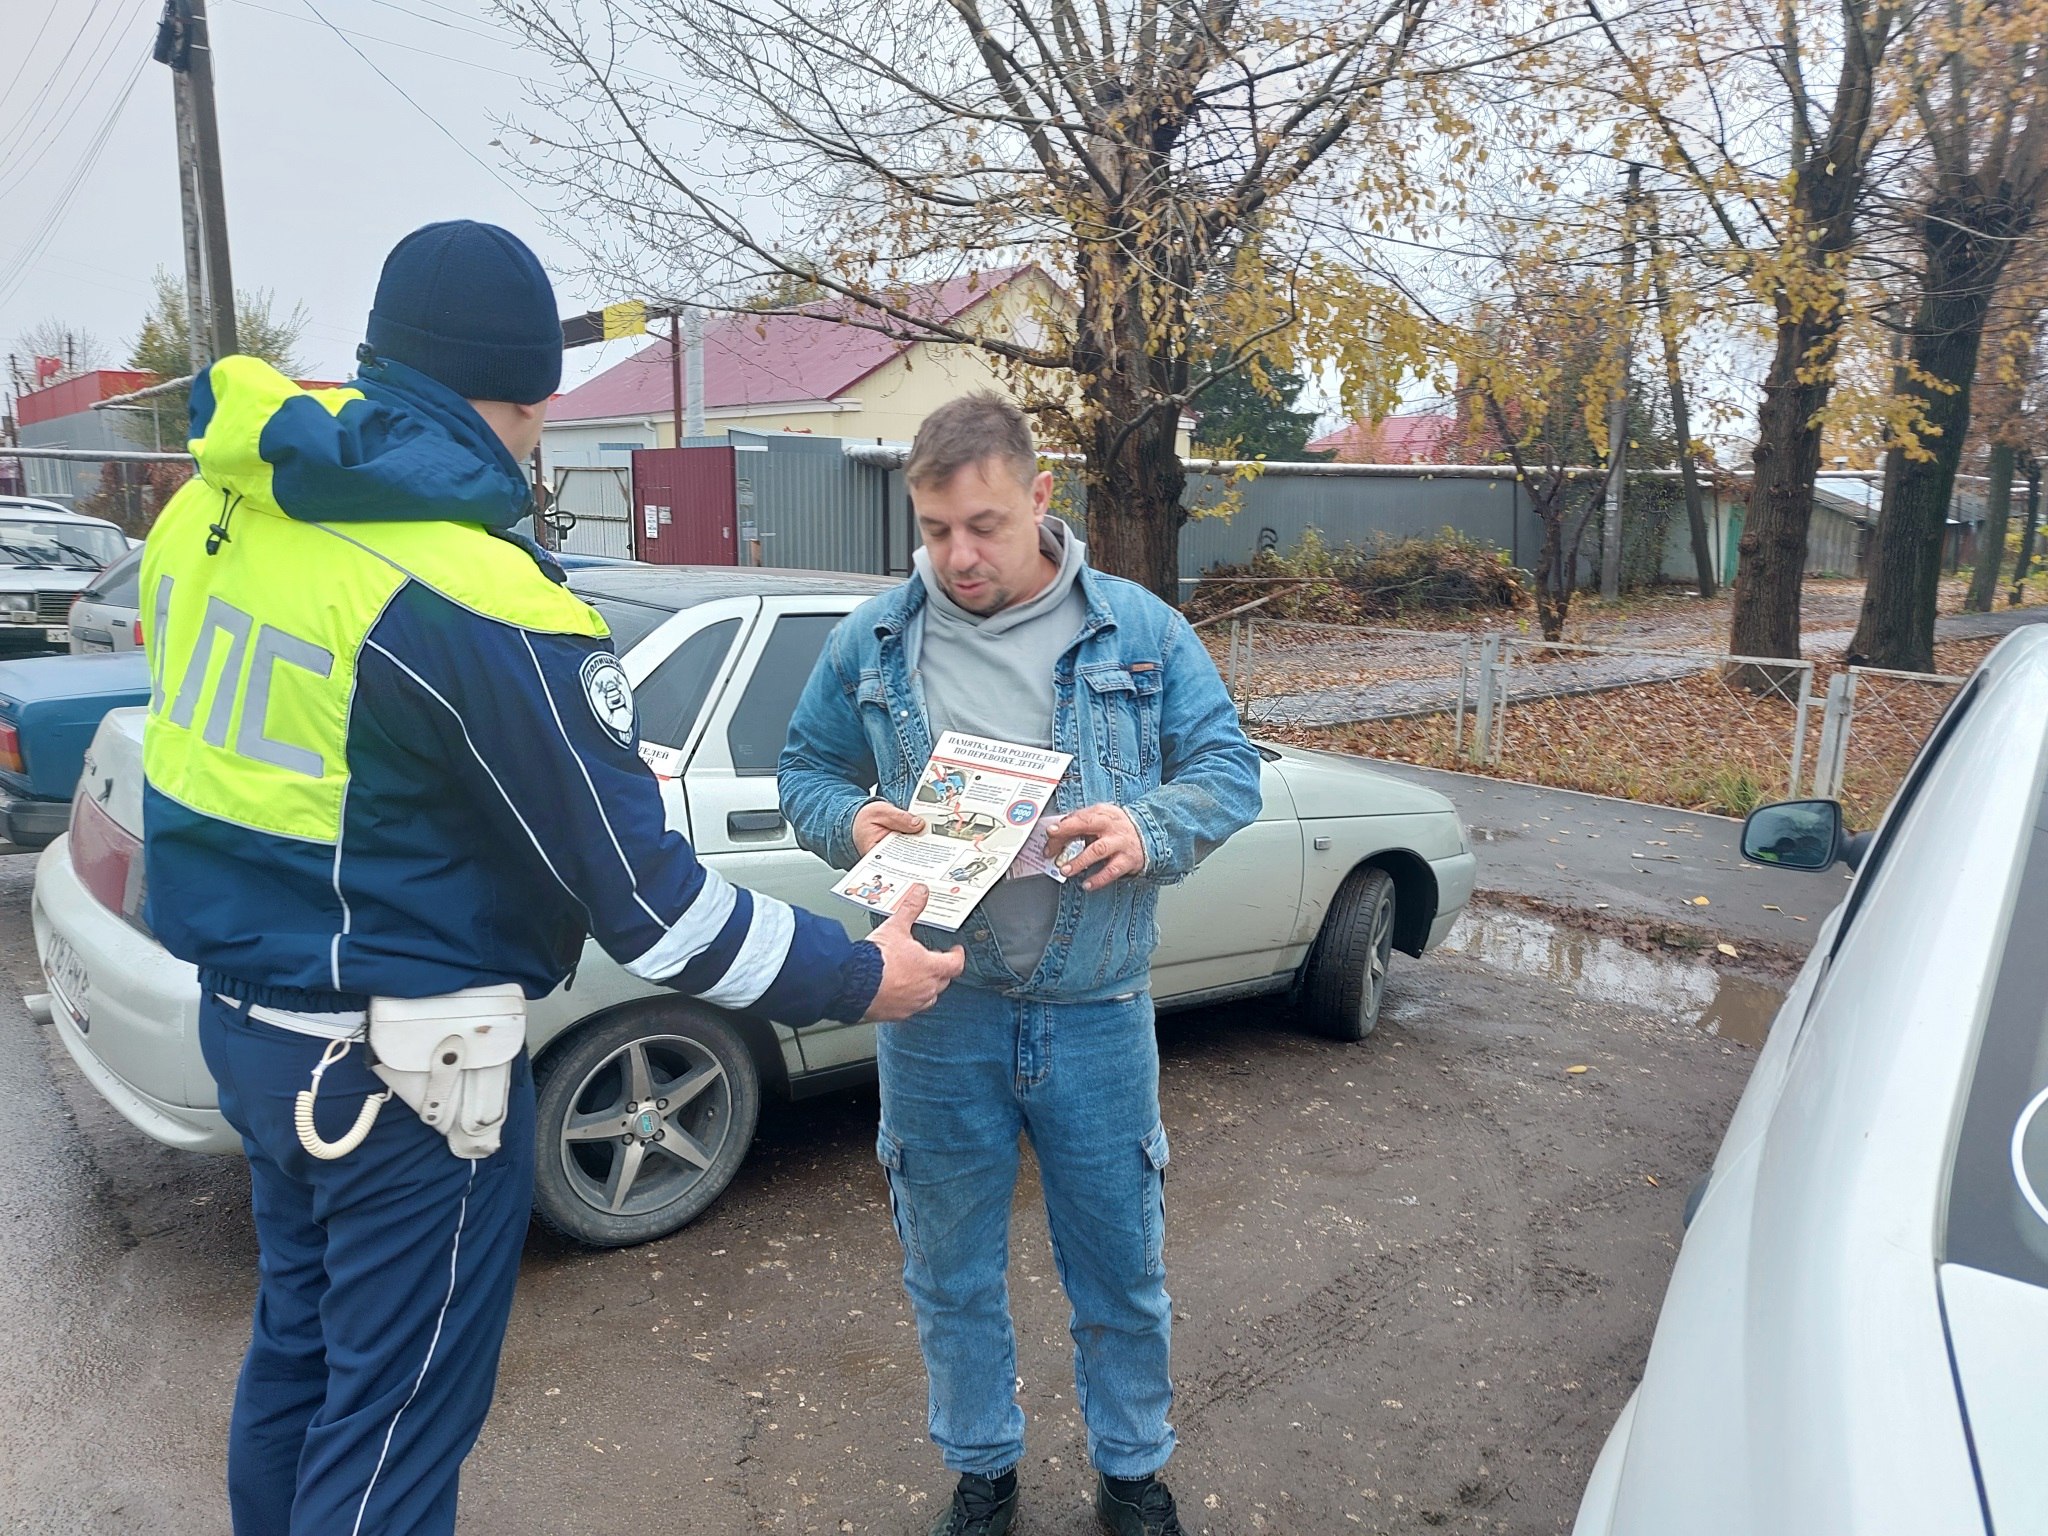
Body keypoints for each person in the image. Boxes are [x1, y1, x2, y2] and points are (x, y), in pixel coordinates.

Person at [139, 220, 961, 1536]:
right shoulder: (474, 598)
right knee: (395, 1420)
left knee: (296, 1361)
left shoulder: (215, 508)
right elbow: (659, 915)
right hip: (402, 1079)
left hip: (250, 1031)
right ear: (532, 396)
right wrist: (867, 974)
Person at [780, 393, 1262, 1536]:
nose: (958, 556)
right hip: (937, 1014)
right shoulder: (875, 640)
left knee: (1119, 1270)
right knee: (948, 1272)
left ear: (1042, 498)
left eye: (984, 525)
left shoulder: (1135, 629)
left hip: (1097, 1011)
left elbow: (1228, 770)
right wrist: (852, 823)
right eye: (935, 528)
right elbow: (802, 770)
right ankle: (982, 1468)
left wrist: (1150, 825)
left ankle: (1132, 1473)